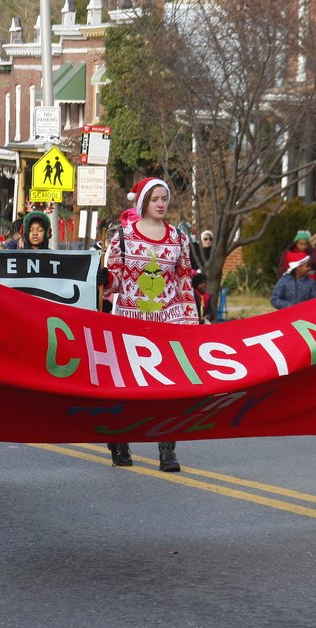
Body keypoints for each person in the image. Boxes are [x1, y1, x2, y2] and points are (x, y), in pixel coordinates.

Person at [100, 177, 197, 471]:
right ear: (143, 201)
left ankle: (167, 449)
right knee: (128, 387)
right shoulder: (124, 237)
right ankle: (120, 442)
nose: (161, 204)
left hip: (167, 322)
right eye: (155, 199)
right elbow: (114, 281)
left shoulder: (179, 239)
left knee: (169, 388)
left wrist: (190, 321)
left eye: (164, 199)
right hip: (129, 321)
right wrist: (105, 279)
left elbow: (183, 281)